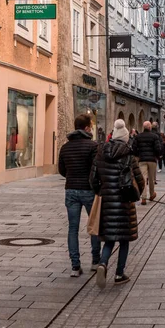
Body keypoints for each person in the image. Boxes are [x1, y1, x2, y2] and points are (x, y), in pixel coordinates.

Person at [90, 119, 144, 288]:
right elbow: (140, 181)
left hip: (107, 203)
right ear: (126, 137)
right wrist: (136, 194)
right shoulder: (128, 155)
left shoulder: (100, 152)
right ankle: (119, 274)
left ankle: (103, 263)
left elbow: (93, 179)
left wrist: (101, 191)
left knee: (109, 239)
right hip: (124, 203)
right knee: (124, 240)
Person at [58, 114, 101, 277]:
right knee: (94, 226)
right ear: (87, 128)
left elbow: (61, 170)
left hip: (71, 190)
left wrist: (72, 176)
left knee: (72, 228)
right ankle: (95, 262)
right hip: (89, 190)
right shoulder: (93, 146)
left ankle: (75, 266)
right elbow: (96, 169)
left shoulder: (65, 147)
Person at [132, 121, 161, 205]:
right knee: (151, 179)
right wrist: (156, 156)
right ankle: (152, 194)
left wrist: (138, 155)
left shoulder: (138, 136)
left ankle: (143, 198)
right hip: (152, 160)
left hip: (142, 160)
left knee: (143, 178)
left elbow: (134, 148)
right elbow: (158, 148)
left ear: (143, 127)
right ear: (150, 127)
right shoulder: (154, 136)